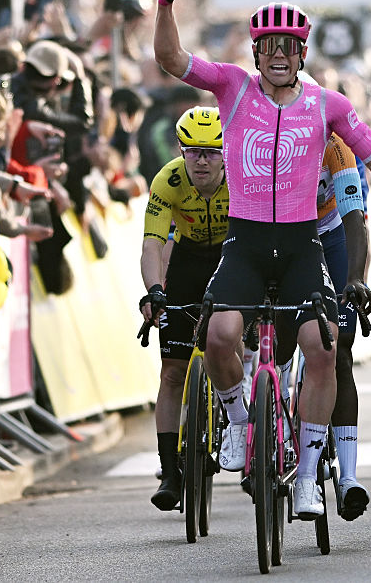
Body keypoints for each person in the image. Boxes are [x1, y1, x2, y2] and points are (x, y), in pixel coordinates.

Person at [153, 0, 371, 520]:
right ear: (256, 53)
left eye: (289, 46)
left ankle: (310, 476)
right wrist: (164, 6)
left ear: (302, 52)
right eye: (269, 46)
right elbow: (172, 60)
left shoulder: (328, 106)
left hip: (301, 246)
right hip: (245, 242)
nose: (279, 54)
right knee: (218, 335)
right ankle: (239, 425)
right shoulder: (231, 88)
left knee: (323, 348)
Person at [138, 106, 228, 510]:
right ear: (181, 149)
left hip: (231, 257)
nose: (203, 160)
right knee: (173, 372)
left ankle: (248, 433)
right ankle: (170, 472)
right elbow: (153, 243)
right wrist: (155, 290)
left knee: (237, 347)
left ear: (227, 152)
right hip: (188, 260)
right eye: (194, 151)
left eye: (212, 151)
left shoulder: (243, 179)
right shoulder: (168, 180)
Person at [305, 133, 371, 519]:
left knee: (339, 349)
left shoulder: (336, 148)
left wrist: (354, 279)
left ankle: (348, 476)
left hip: (332, 233)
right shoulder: (269, 135)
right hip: (289, 237)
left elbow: (355, 220)